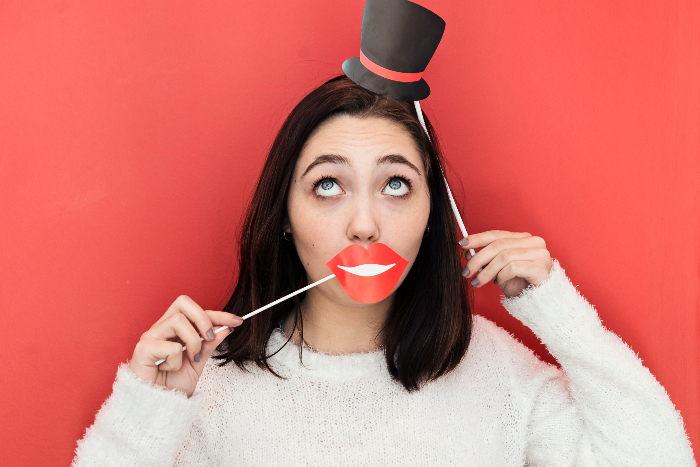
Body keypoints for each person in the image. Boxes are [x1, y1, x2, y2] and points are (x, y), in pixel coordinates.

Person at [71, 75, 696, 466]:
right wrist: (149, 409)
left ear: (430, 212)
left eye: (397, 183)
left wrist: (557, 310)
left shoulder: (493, 372)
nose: (365, 223)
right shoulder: (210, 389)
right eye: (328, 186)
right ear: (284, 214)